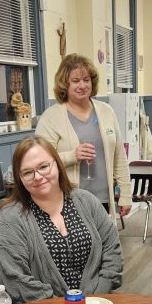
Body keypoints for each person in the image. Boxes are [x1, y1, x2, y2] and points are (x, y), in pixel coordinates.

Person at [0, 136, 123, 304]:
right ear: (19, 178)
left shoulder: (87, 201)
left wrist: (97, 296)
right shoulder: (9, 220)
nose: (37, 176)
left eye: (44, 167)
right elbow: (15, 279)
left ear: (57, 165)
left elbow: (112, 250)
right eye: (27, 172)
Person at [35, 53, 132, 218]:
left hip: (103, 200)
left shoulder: (106, 111)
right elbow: (39, 162)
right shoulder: (51, 117)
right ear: (64, 84)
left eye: (86, 80)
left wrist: (126, 195)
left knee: (104, 243)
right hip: (67, 203)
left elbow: (119, 157)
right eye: (75, 81)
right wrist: (72, 156)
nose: (82, 85)